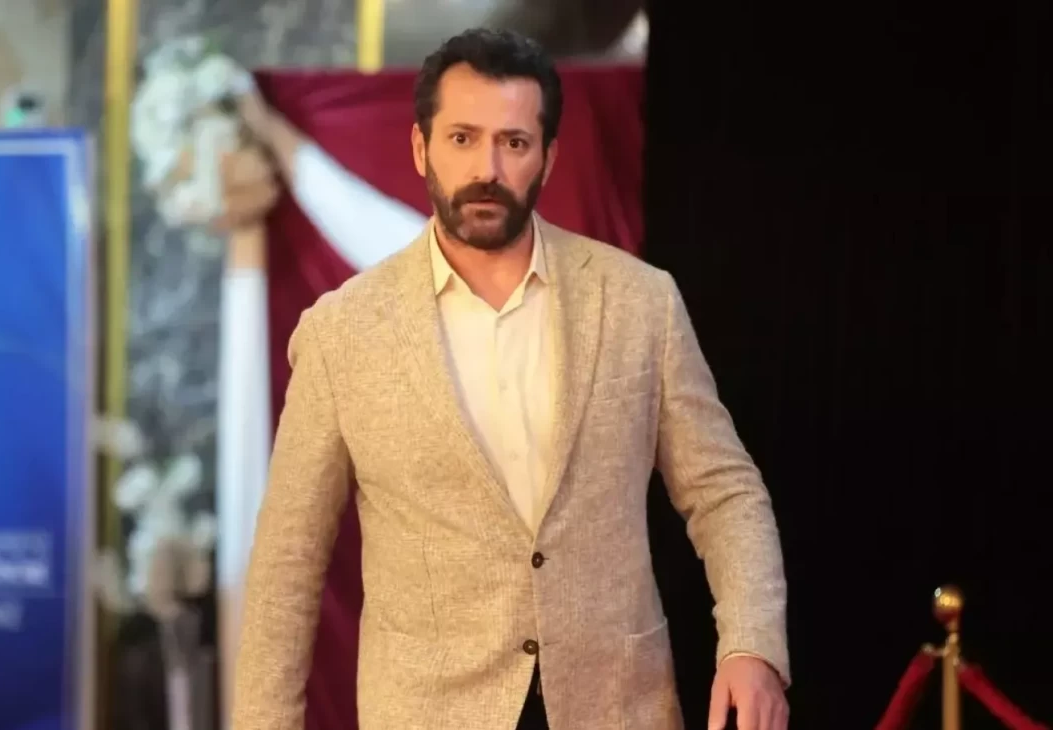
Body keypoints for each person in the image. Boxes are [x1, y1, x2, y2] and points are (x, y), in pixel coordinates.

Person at [232, 28, 790, 730]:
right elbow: (287, 563)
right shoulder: (341, 333)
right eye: (462, 138)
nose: (487, 168)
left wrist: (752, 646)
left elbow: (724, 492)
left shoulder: (639, 302)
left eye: (514, 142)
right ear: (421, 148)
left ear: (548, 157)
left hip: (617, 707)